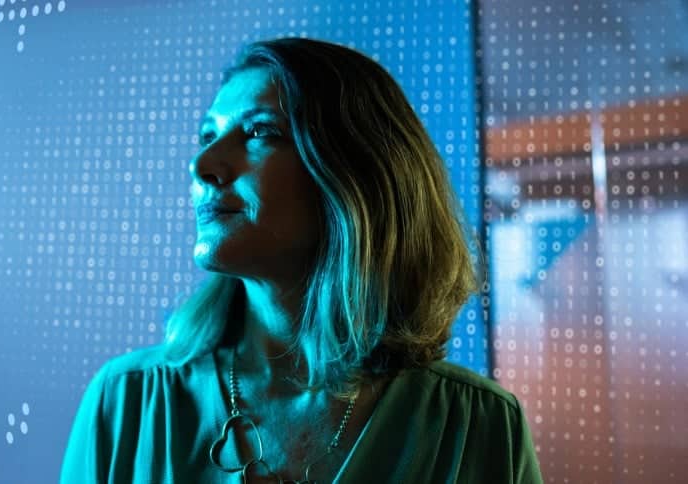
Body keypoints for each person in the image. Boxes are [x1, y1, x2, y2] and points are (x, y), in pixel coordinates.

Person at [59, 37, 543, 483]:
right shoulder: (126, 403)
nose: (201, 165)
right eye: (207, 136)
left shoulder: (480, 426)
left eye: (259, 132)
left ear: (358, 176)